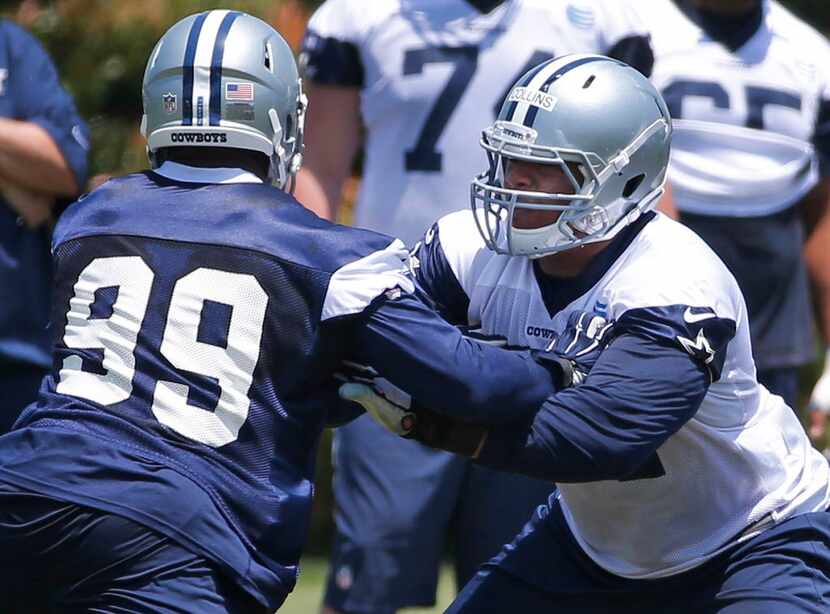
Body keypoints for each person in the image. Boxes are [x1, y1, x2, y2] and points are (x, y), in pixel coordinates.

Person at [0, 11, 571, 612]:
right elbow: (474, 383)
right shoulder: (330, 256)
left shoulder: (91, 217)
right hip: (175, 532)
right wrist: (563, 368)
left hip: (25, 492)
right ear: (281, 119)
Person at [344, 54, 830, 612]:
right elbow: (361, 341)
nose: (515, 180)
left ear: (625, 176)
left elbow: (597, 440)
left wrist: (441, 422)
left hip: (751, 539)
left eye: (546, 166)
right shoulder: (466, 249)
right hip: (592, 545)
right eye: (510, 158)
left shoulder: (675, 281)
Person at [296, 2, 677, 610]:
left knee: (517, 564)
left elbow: (637, 176)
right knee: (376, 557)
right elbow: (317, 174)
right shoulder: (356, 15)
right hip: (404, 312)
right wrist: (307, 304)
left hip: (544, 313)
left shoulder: (603, 16)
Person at [595, 0, 830, 444]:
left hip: (770, 309)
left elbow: (823, 211)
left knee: (761, 485)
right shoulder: (627, 30)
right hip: (643, 285)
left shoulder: (814, 58)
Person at [0, 17, 89, 432]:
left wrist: (33, 176)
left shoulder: (12, 48)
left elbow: (64, 165)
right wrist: (14, 175)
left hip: (16, 363)